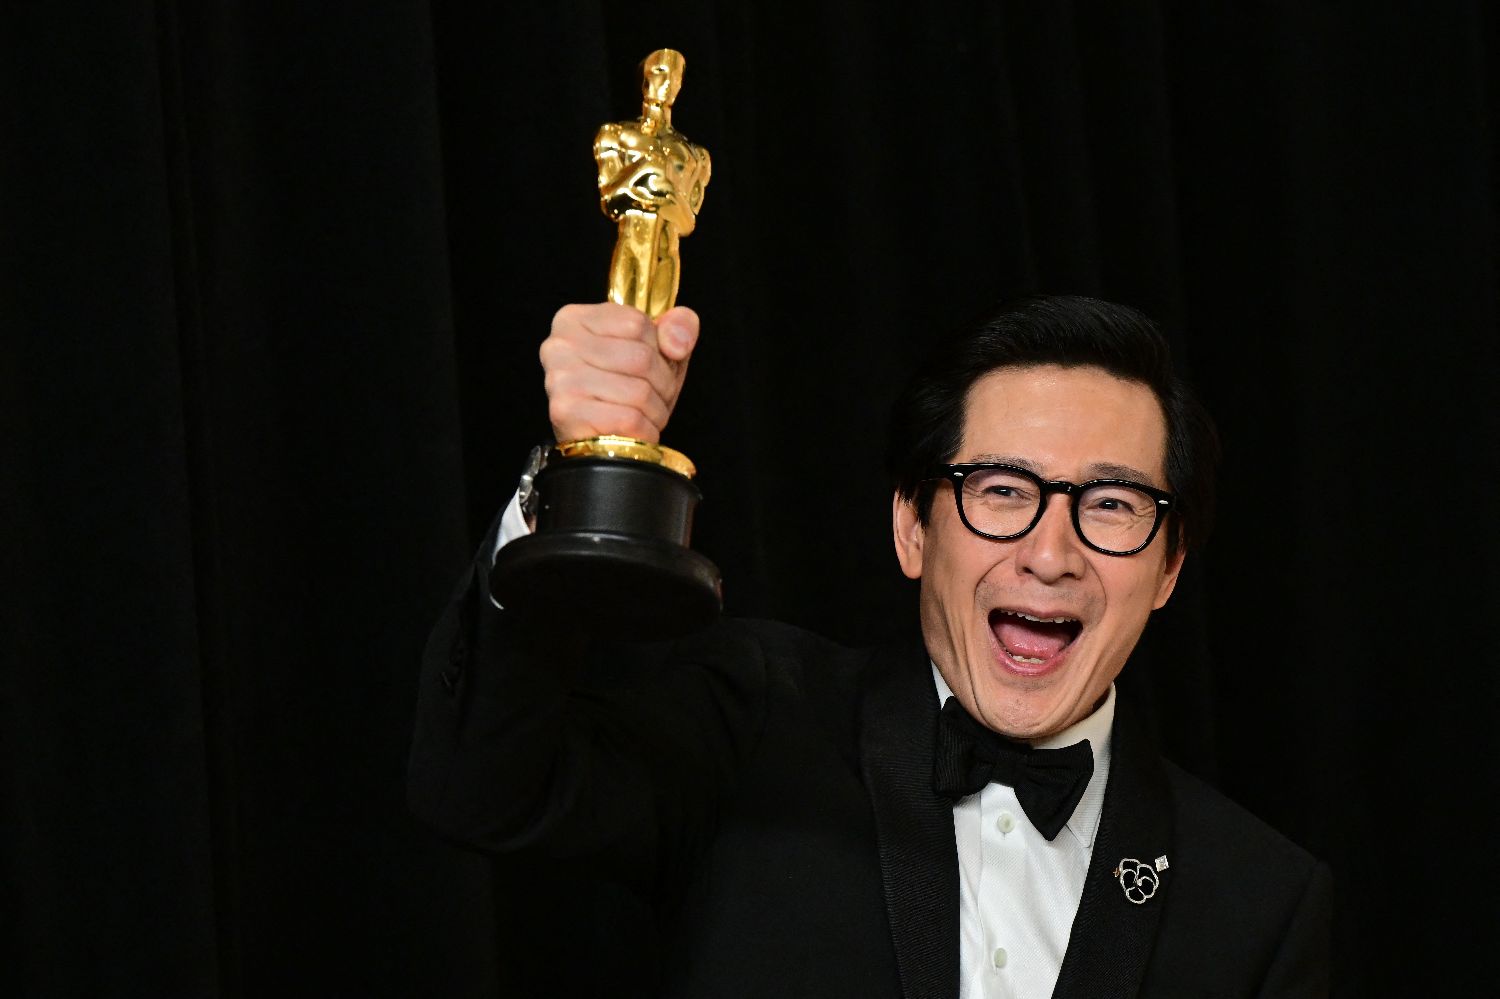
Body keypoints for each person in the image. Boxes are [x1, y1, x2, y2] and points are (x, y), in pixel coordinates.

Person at [408, 295, 1332, 997]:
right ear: (912, 529)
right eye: (1002, 490)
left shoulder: (1262, 899)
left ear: (1169, 567)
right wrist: (581, 473)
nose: (1051, 554)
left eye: (1113, 504)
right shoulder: (755, 725)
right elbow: (480, 787)